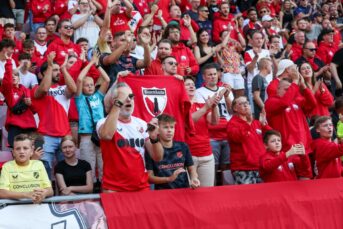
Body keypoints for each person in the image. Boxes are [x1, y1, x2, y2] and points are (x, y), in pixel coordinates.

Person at [97, 82, 164, 192]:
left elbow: (158, 157)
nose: (128, 100)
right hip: (114, 189)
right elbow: (107, 135)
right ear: (115, 102)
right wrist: (118, 104)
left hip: (141, 188)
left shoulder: (141, 123)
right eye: (123, 97)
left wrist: (154, 138)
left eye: (131, 96)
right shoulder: (103, 122)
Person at [30, 52, 77, 178]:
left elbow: (73, 89)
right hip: (46, 136)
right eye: (54, 70)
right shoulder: (36, 90)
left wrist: (64, 69)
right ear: (43, 73)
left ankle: (65, 198)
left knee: (67, 172)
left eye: (58, 70)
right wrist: (50, 65)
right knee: (44, 172)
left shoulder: (62, 88)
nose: (58, 73)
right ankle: (48, 198)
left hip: (65, 136)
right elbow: (45, 89)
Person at [195, 63, 234, 185]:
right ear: (204, 77)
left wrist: (227, 97)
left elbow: (232, 110)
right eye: (209, 75)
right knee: (213, 168)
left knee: (226, 166)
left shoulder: (226, 90)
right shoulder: (199, 92)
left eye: (214, 74)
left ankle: (226, 193)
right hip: (211, 135)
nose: (213, 76)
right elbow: (204, 114)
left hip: (226, 134)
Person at [75, 52, 110, 183]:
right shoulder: (80, 99)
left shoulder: (98, 95)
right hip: (87, 136)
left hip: (100, 135)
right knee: (89, 168)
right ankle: (90, 192)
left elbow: (107, 80)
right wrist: (90, 63)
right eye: (86, 85)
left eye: (91, 84)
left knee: (104, 167)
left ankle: (103, 190)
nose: (89, 87)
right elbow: (79, 79)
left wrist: (97, 65)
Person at [145, 114, 200, 190]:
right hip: (162, 194)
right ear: (157, 130)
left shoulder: (183, 146)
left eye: (172, 127)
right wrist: (169, 179)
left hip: (184, 191)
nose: (169, 130)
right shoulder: (152, 149)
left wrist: (194, 178)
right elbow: (149, 178)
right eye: (165, 127)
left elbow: (191, 168)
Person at [227, 96, 271, 184]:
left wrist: (265, 126)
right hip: (243, 169)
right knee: (246, 196)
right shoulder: (232, 124)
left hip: (260, 167)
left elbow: (272, 138)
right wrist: (248, 123)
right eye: (242, 104)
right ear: (235, 108)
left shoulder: (256, 122)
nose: (246, 105)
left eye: (247, 103)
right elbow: (238, 137)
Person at [184, 76, 220, 187]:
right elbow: (189, 121)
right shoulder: (180, 105)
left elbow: (214, 122)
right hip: (189, 156)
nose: (191, 86)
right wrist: (206, 108)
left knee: (207, 193)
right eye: (187, 84)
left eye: (193, 84)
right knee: (189, 193)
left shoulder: (201, 105)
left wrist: (214, 107)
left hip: (206, 154)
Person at [0, 134, 53, 203]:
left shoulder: (39, 164)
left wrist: (44, 193)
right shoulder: (7, 167)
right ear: (13, 153)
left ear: (31, 151)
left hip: (37, 208)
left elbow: (50, 190)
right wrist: (26, 195)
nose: (21, 152)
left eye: (25, 148)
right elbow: (2, 193)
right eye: (18, 149)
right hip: (14, 209)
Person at [1, 52, 36, 148]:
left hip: (29, 125)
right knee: (16, 152)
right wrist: (9, 62)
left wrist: (30, 104)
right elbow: (7, 81)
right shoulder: (8, 91)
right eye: (11, 75)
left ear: (19, 78)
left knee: (31, 151)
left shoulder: (26, 90)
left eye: (15, 75)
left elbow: (34, 110)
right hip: (15, 125)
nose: (13, 76)